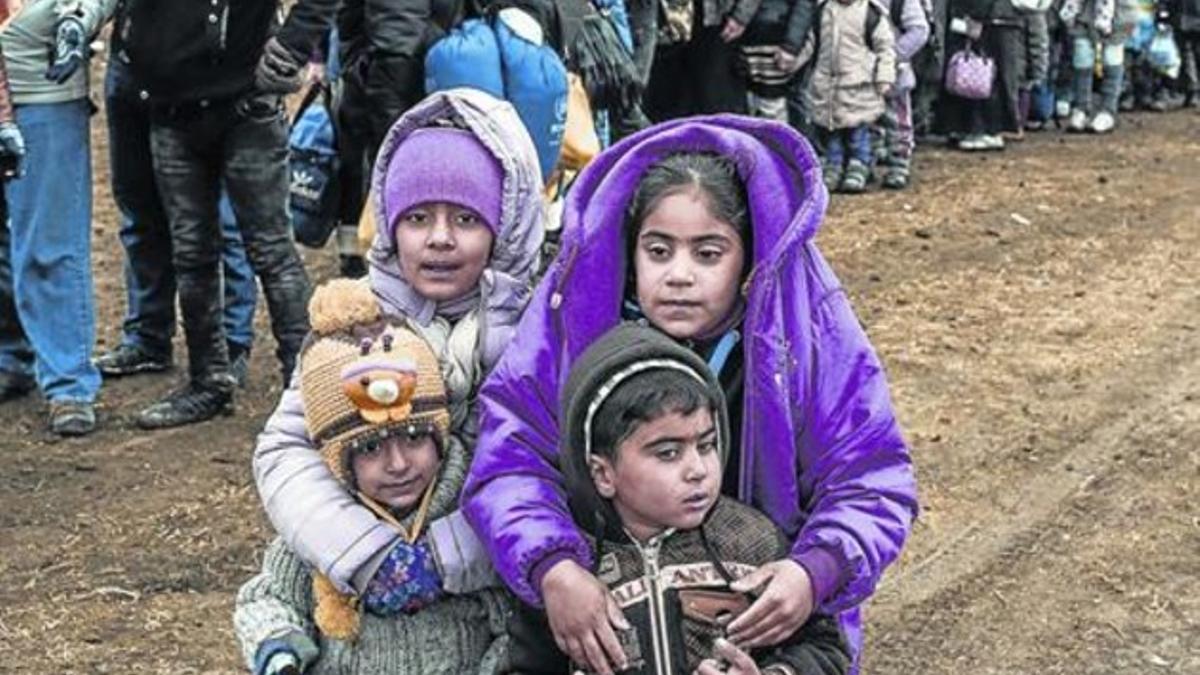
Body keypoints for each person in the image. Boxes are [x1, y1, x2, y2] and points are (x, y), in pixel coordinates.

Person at [463, 118, 918, 675]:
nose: (679, 275)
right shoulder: (573, 319)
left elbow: (870, 475)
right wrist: (554, 567)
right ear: (631, 252)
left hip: (761, 628)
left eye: (708, 254)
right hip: (608, 615)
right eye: (659, 251)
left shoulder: (805, 329)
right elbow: (510, 457)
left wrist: (814, 571)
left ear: (750, 257)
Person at [254, 89, 544, 622]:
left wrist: (447, 553)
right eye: (416, 219)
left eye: (465, 219)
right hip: (373, 588)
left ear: (505, 225)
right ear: (388, 223)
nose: (439, 239)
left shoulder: (539, 327)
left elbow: (549, 471)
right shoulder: (354, 322)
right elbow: (285, 451)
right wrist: (361, 551)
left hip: (502, 595)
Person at [505, 323, 851, 675]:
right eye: (668, 453)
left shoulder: (752, 541)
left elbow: (826, 649)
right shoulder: (570, 573)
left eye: (706, 444)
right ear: (603, 474)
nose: (698, 469)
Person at [235, 317, 509, 675]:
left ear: (440, 437)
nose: (397, 464)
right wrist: (280, 647)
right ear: (338, 458)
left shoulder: (473, 514)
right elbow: (268, 596)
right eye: (369, 447)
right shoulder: (320, 532)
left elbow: (513, 619)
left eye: (414, 437)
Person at [113, 0, 337, 429]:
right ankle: (209, 382)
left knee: (271, 251)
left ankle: (308, 387)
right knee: (192, 253)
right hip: (169, 106)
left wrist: (292, 48)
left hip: (245, 106)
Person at [93, 51, 259, 385]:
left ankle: (230, 343)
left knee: (222, 219)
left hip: (213, 71)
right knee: (140, 209)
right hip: (133, 66)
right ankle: (147, 335)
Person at [0, 0, 115, 435]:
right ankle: (10, 356)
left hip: (41, 87)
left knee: (49, 240)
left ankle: (68, 382)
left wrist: (76, 19)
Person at [800, 0, 898, 193]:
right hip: (827, 85)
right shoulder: (823, 10)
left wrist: (884, 77)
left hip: (858, 84)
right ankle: (834, 165)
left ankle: (859, 164)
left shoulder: (871, 13)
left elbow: (885, 49)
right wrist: (795, 62)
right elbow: (811, 44)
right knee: (832, 130)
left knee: (857, 131)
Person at [644, 0, 762, 120]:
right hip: (662, 26)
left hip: (718, 23)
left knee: (718, 108)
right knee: (666, 109)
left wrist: (741, 15)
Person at [937, 0, 1026, 150]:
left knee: (985, 72)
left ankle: (988, 130)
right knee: (966, 69)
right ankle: (965, 126)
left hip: (991, 16)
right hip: (984, 14)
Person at [1060, 0, 1138, 132]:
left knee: (1111, 58)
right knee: (1082, 55)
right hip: (1083, 9)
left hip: (1118, 11)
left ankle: (1108, 111)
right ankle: (1081, 108)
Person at [878, 0, 931, 188]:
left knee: (897, 121)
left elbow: (919, 29)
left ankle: (899, 163)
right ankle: (863, 162)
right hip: (857, 70)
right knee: (862, 121)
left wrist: (892, 55)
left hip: (894, 72)